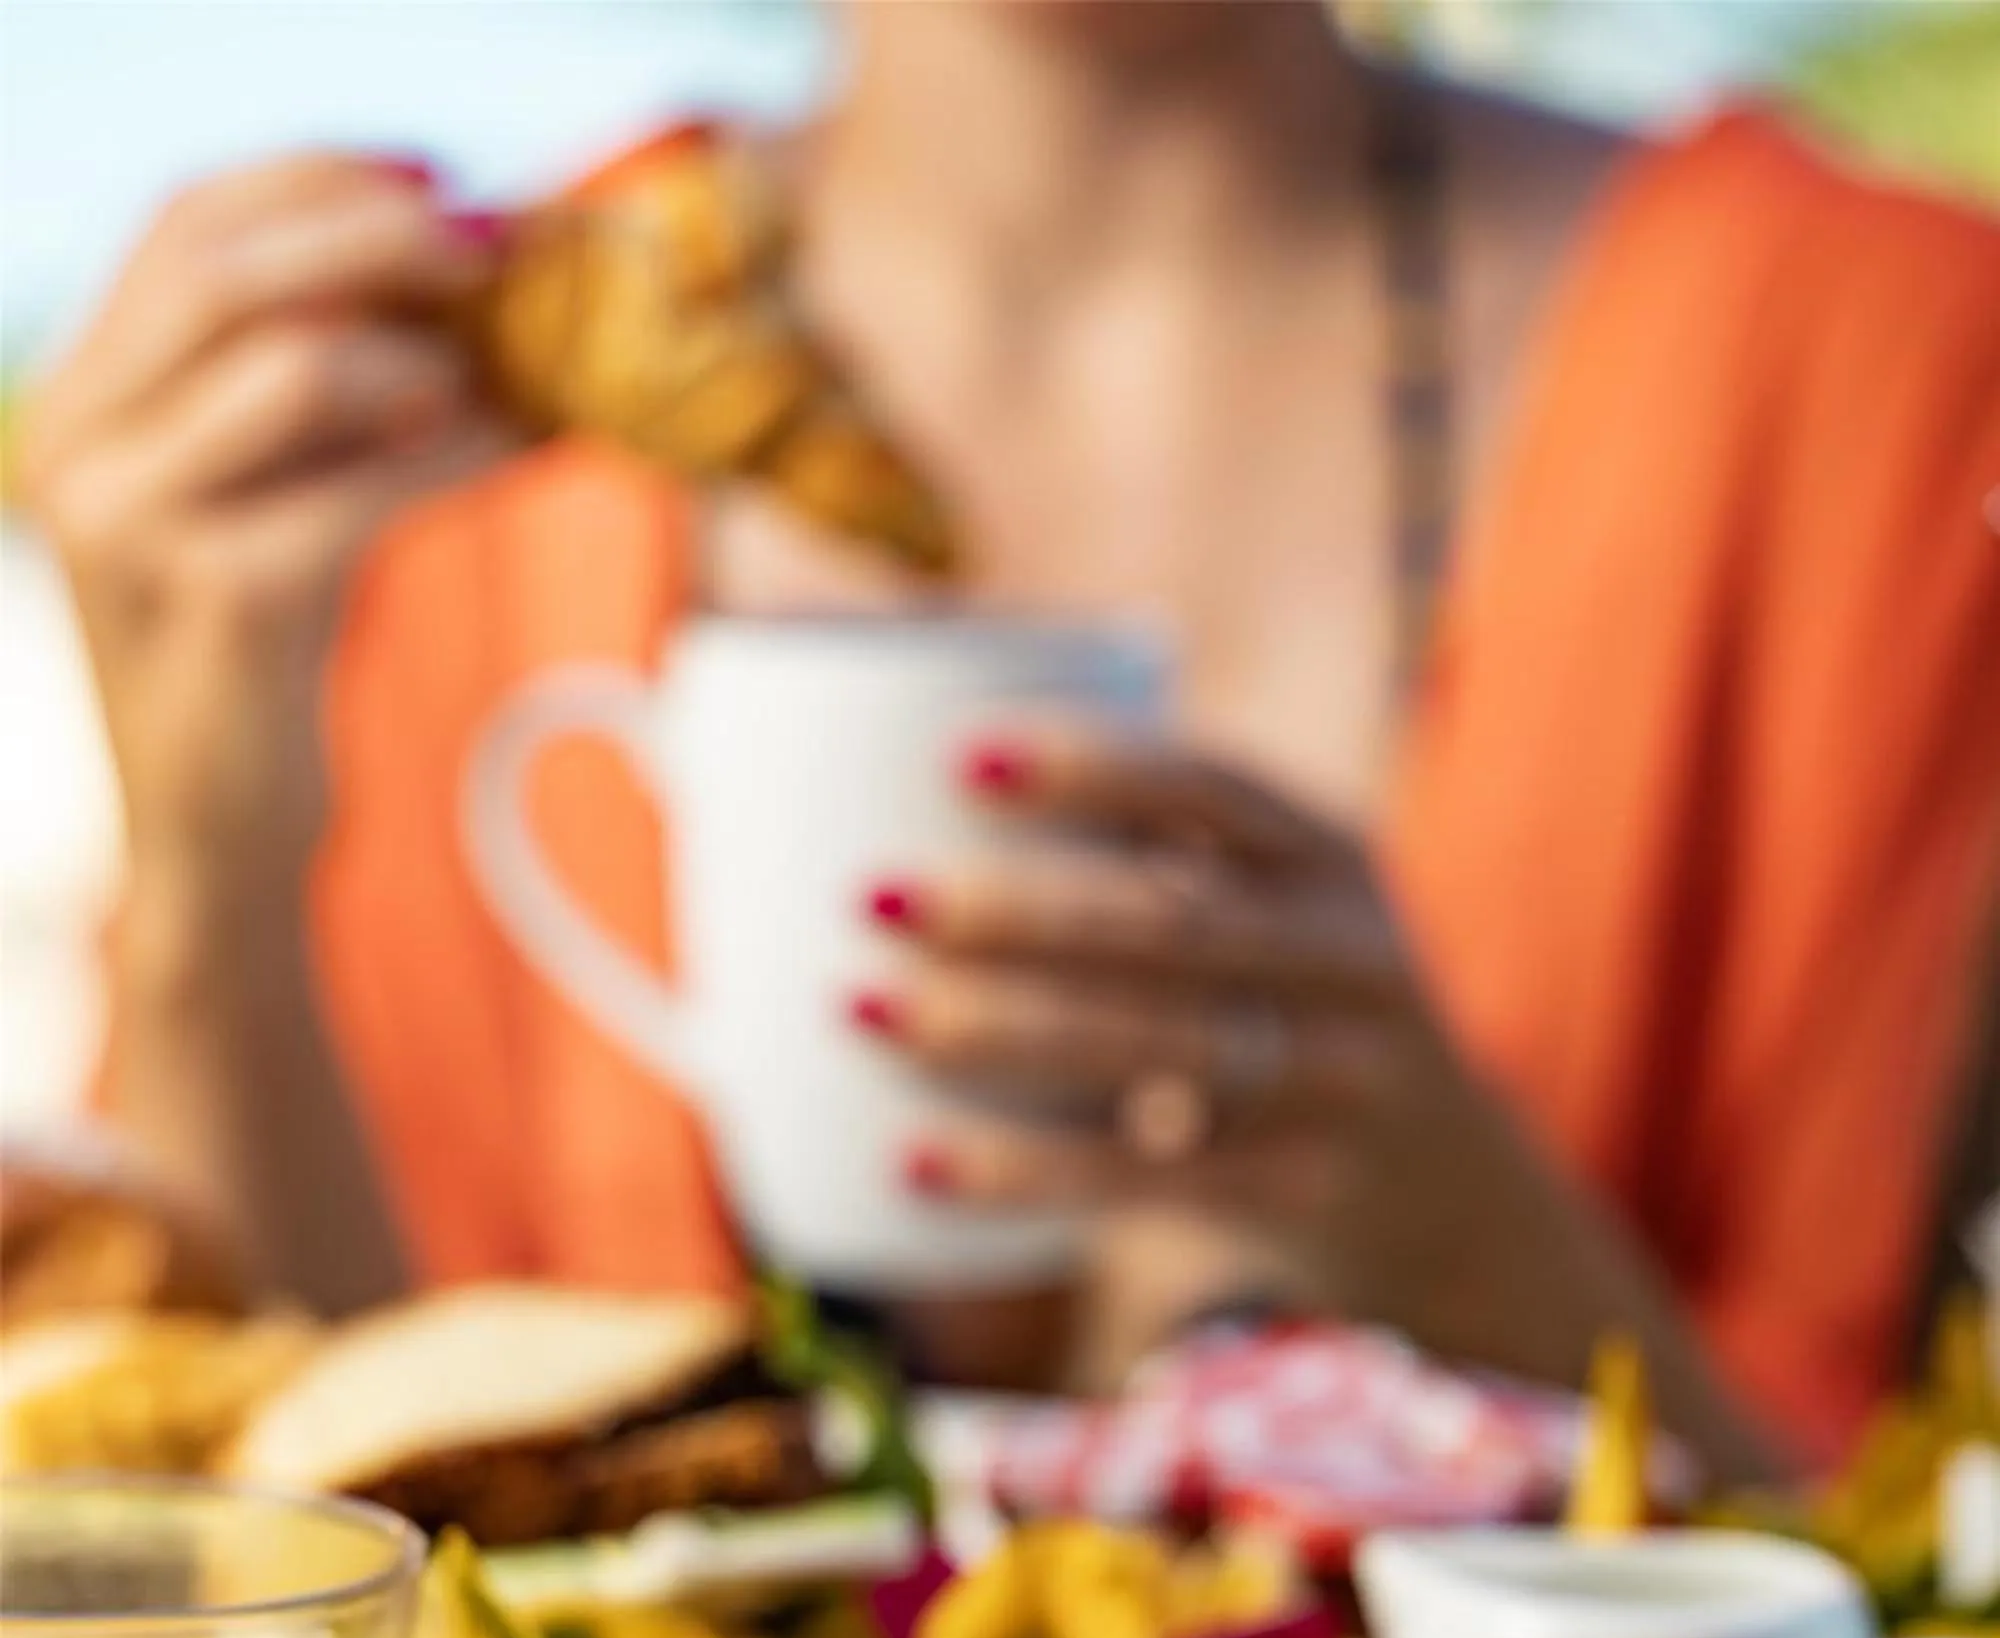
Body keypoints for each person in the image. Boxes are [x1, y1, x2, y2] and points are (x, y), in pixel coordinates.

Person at [19, 2, 2000, 1478]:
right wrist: (206, 871)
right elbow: (247, 1524)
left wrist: (1492, 1274)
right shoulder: (387, 430)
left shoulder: (1897, 401)